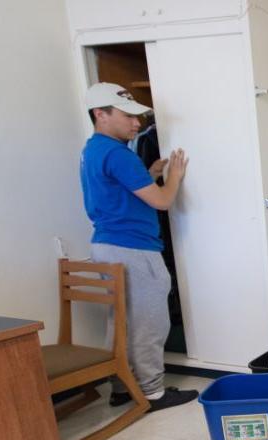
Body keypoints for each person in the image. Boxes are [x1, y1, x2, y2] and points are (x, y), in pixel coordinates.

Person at [80, 82, 197, 412]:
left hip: (106, 245)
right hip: (133, 248)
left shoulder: (93, 150)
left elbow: (118, 195)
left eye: (138, 117)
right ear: (100, 114)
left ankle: (121, 387)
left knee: (122, 321)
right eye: (128, 116)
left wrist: (148, 173)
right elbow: (162, 201)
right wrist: (173, 175)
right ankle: (153, 392)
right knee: (150, 322)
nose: (137, 123)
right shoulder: (119, 154)